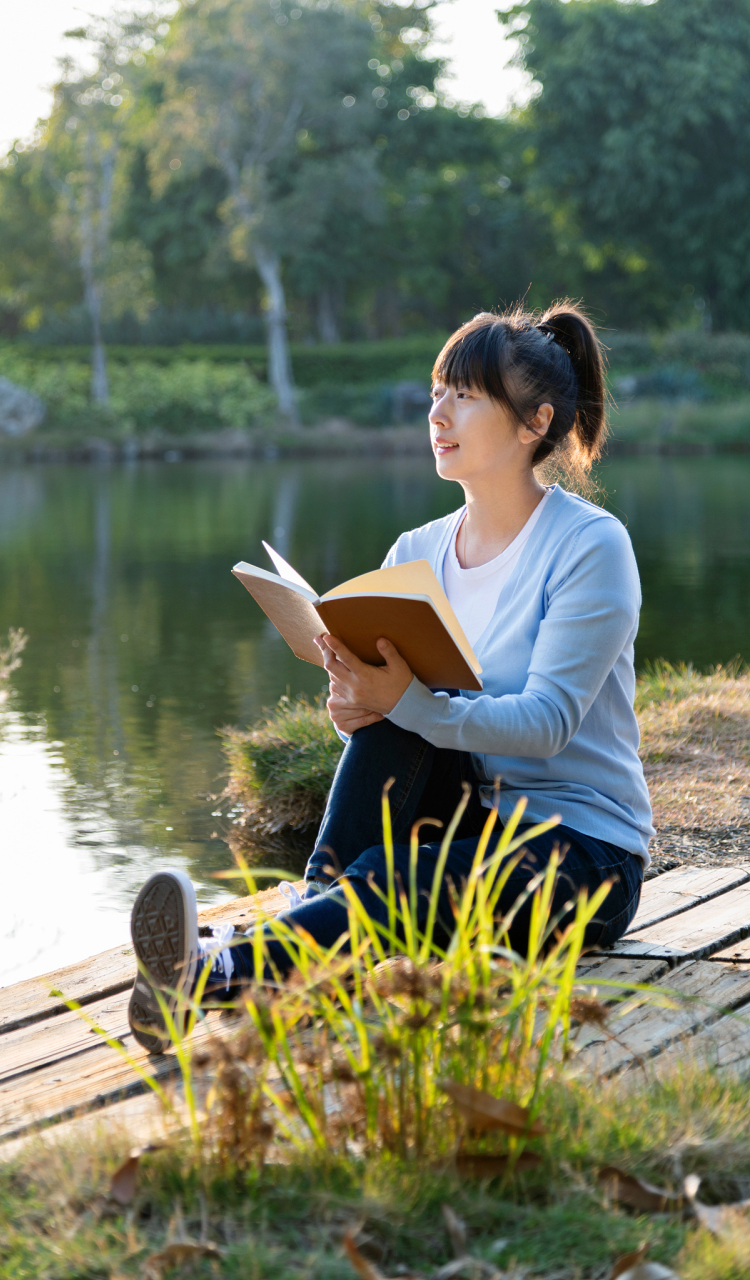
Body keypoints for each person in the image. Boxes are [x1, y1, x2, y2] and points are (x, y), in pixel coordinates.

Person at [127, 303, 654, 1053]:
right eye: (437, 390)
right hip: (471, 809)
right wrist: (356, 701)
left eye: (464, 395)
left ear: (534, 423)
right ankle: (311, 922)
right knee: (393, 740)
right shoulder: (418, 549)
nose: (436, 412)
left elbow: (546, 724)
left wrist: (407, 701)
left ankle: (216, 973)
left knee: (398, 877)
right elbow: (391, 725)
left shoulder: (590, 546)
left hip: (579, 855)